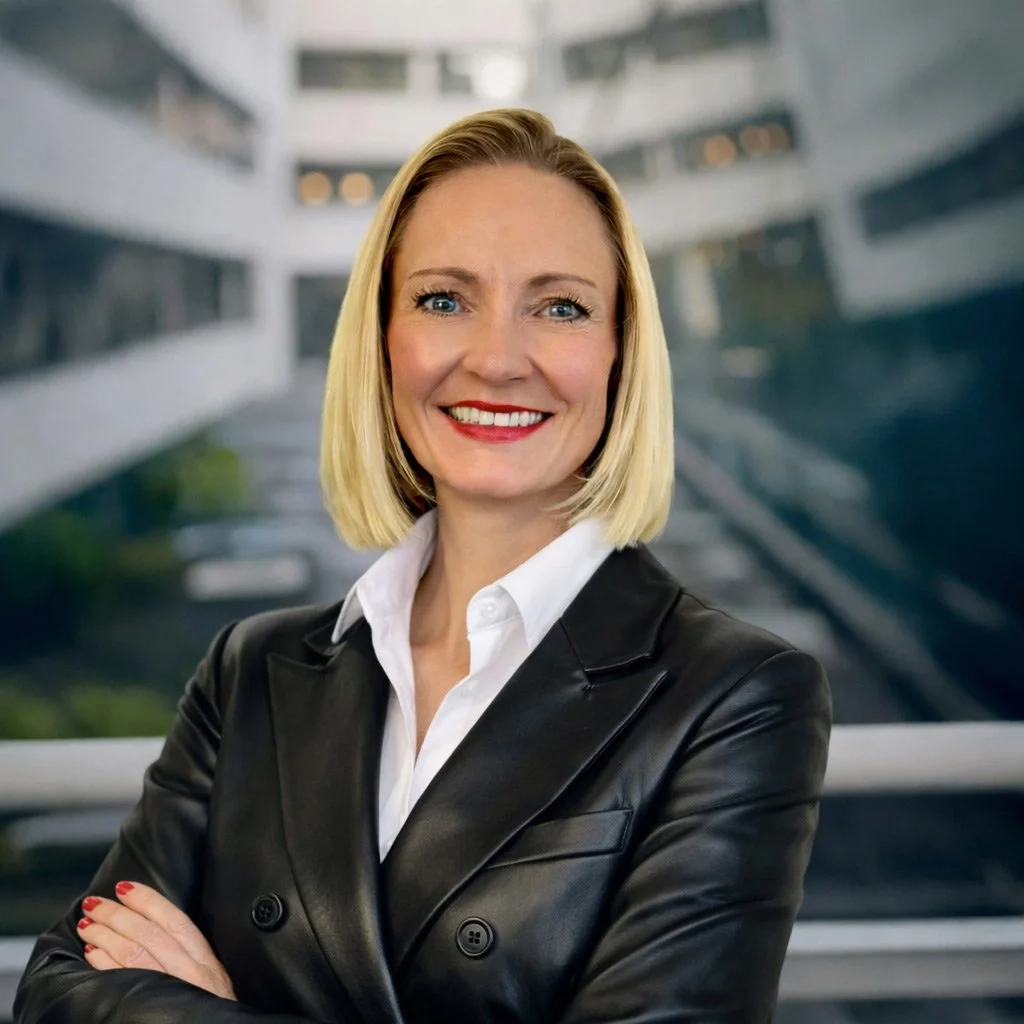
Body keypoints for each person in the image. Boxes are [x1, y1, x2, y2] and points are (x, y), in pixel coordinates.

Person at [14, 108, 831, 1023]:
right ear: (382, 339)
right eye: (444, 299)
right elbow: (56, 991)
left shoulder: (737, 696)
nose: (496, 358)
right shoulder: (252, 672)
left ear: (622, 351)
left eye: (559, 306)